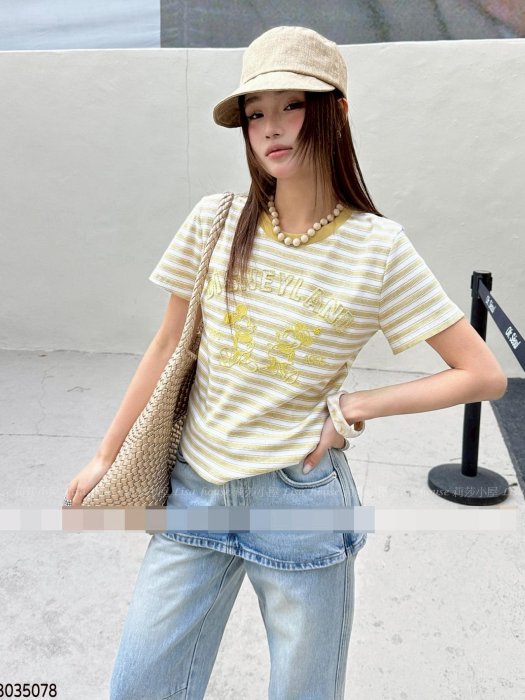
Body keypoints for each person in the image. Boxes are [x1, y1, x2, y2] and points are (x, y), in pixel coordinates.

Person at [65, 25, 507, 700]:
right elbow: (165, 345)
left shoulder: (377, 248)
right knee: (138, 686)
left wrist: (355, 406)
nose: (270, 127)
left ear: (336, 112)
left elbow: (482, 374)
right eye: (255, 113)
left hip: (299, 503)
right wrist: (107, 454)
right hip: (198, 492)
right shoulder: (215, 220)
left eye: (291, 106)